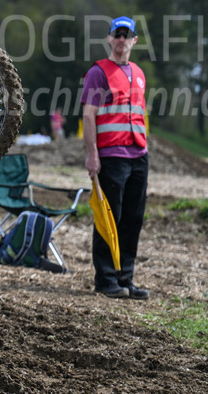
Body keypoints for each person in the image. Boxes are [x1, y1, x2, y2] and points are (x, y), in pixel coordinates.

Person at [81, 16, 150, 300]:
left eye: (127, 35)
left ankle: (126, 278)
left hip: (138, 154)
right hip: (111, 156)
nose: (121, 40)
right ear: (110, 39)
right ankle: (106, 279)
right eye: (117, 35)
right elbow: (88, 115)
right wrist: (92, 155)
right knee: (110, 217)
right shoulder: (98, 72)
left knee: (133, 218)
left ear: (134, 40)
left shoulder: (140, 73)